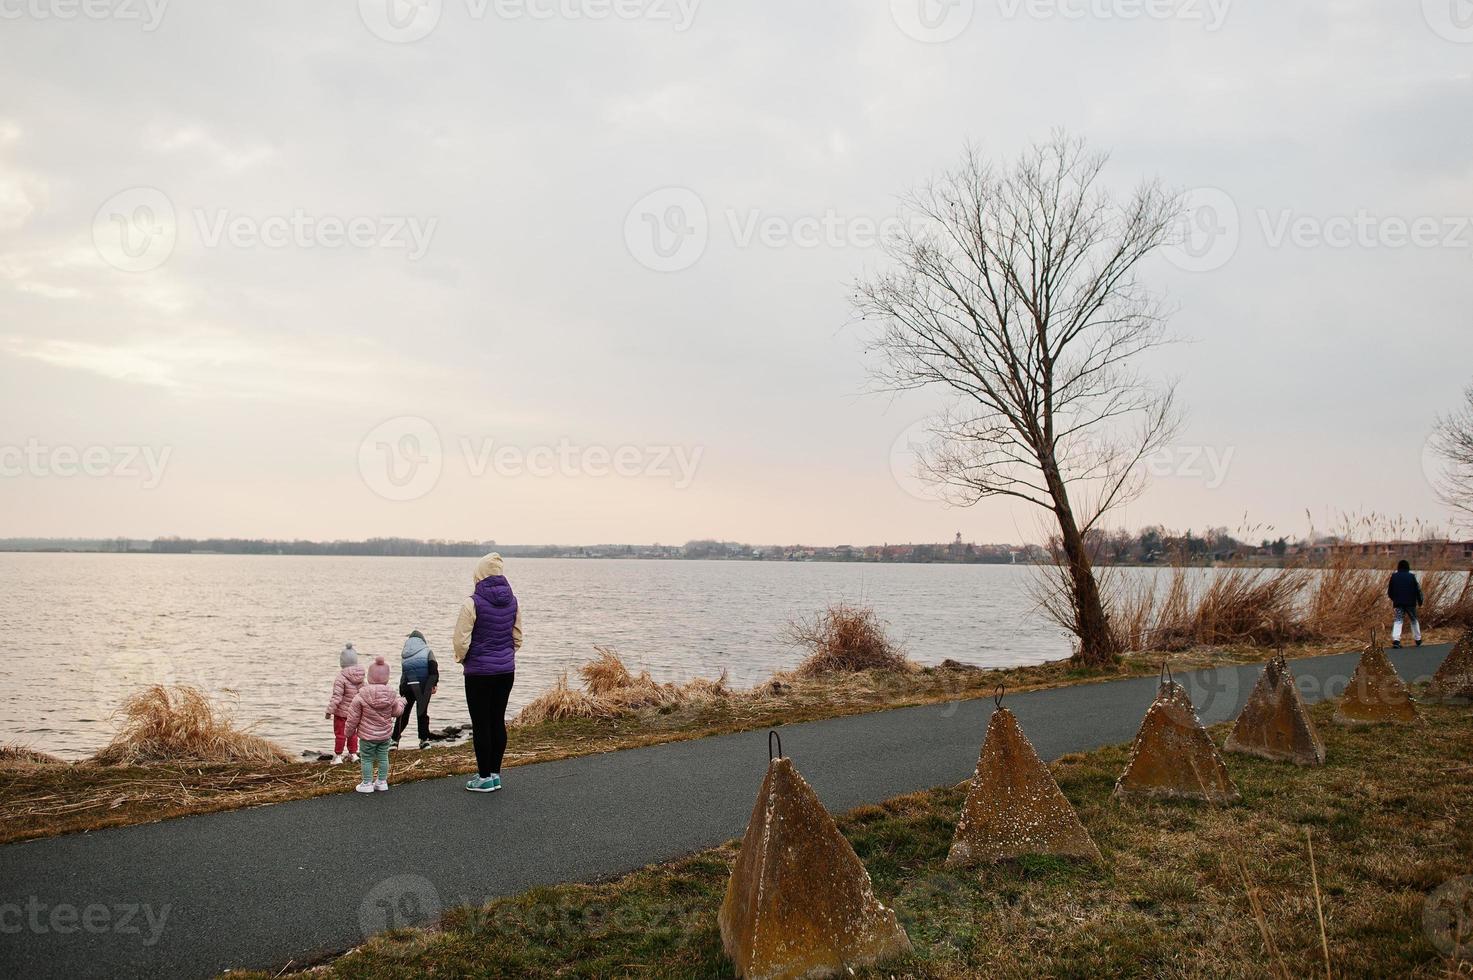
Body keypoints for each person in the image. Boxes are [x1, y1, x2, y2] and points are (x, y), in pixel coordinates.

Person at [454, 552, 522, 793]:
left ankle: (483, 777)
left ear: (479, 574)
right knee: (497, 720)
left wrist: (463, 659)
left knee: (481, 722)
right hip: (506, 670)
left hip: (479, 672)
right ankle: (494, 773)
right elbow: (517, 637)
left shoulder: (472, 602)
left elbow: (461, 640)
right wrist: (506, 655)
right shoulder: (512, 600)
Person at [344, 655, 406, 793]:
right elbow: (397, 712)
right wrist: (402, 702)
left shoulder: (360, 696)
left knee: (367, 759)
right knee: (383, 757)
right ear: (387, 678)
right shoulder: (392, 696)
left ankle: (367, 784)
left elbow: (353, 717)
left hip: (367, 736)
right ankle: (382, 782)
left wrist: (348, 733)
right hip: (384, 735)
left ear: (369, 677)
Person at [392, 630, 440, 750]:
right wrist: (433, 684)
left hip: (408, 686)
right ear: (422, 640)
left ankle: (393, 741)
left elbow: (404, 674)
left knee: (403, 714)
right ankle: (423, 741)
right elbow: (433, 668)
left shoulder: (405, 655)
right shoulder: (427, 651)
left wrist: (401, 690)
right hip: (424, 686)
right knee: (422, 713)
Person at [325, 642, 365, 765]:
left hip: (341, 714)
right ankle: (353, 754)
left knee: (340, 734)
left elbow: (337, 697)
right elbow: (364, 694)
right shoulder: (361, 677)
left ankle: (338, 756)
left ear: (342, 662)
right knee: (353, 734)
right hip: (354, 713)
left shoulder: (340, 677)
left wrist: (329, 711)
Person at [1387, 558, 1424, 649]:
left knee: (1398, 620)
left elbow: (1390, 591)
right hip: (1410, 603)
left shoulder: (1394, 576)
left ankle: (1396, 640)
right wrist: (1420, 601)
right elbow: (1418, 590)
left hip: (1398, 603)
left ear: (1398, 567)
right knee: (1414, 620)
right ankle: (1418, 639)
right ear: (1408, 567)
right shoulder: (1411, 576)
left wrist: (1394, 599)